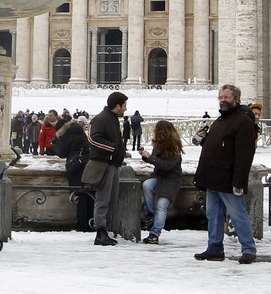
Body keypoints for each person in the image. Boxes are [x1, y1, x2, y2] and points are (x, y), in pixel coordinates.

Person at [193, 84, 258, 265]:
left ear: (236, 99)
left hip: (228, 178)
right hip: (213, 177)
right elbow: (217, 145)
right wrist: (202, 139)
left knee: (237, 214)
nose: (223, 100)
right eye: (221, 97)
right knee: (213, 214)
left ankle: (248, 249)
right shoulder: (221, 120)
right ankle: (214, 248)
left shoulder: (243, 120)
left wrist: (239, 180)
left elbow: (245, 154)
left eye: (227, 97)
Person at [85, 91, 128, 246]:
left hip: (112, 164)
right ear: (117, 106)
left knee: (111, 199)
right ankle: (100, 232)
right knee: (103, 199)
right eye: (124, 106)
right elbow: (92, 139)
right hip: (104, 164)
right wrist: (113, 150)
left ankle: (105, 230)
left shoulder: (112, 119)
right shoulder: (101, 119)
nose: (125, 109)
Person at [138, 120, 183, 245]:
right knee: (146, 185)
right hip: (159, 176)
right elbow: (156, 162)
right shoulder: (157, 144)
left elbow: (167, 166)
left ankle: (154, 234)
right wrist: (145, 156)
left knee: (162, 205)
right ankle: (152, 214)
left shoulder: (175, 147)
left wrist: (150, 158)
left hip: (171, 180)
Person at [52, 117, 92, 231]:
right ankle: (91, 222)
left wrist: (55, 143)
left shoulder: (66, 135)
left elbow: (62, 153)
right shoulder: (80, 131)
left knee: (80, 195)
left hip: (76, 167)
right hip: (86, 165)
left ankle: (82, 225)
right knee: (89, 194)